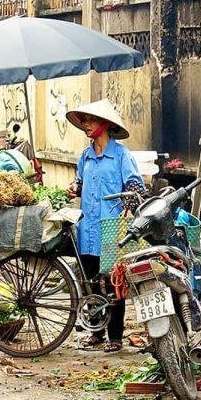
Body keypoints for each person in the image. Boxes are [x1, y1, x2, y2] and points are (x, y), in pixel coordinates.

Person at [66, 100, 146, 352]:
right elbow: (80, 183)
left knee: (113, 284)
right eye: (84, 121)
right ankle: (95, 331)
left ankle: (115, 337)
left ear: (106, 125)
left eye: (90, 120)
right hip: (87, 228)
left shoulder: (121, 155)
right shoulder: (85, 155)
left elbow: (135, 187)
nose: (86, 125)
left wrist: (128, 202)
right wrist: (73, 189)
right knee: (89, 281)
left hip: (112, 229)